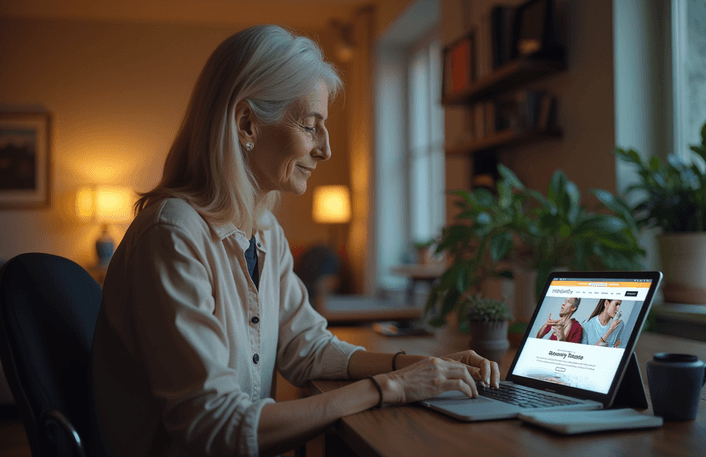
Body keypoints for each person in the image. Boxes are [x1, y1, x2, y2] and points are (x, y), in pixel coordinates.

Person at [90, 25, 500, 457]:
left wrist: (417, 366)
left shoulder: (265, 231)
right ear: (246, 124)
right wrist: (390, 387)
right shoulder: (171, 236)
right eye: (310, 126)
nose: (325, 149)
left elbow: (308, 348)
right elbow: (217, 427)